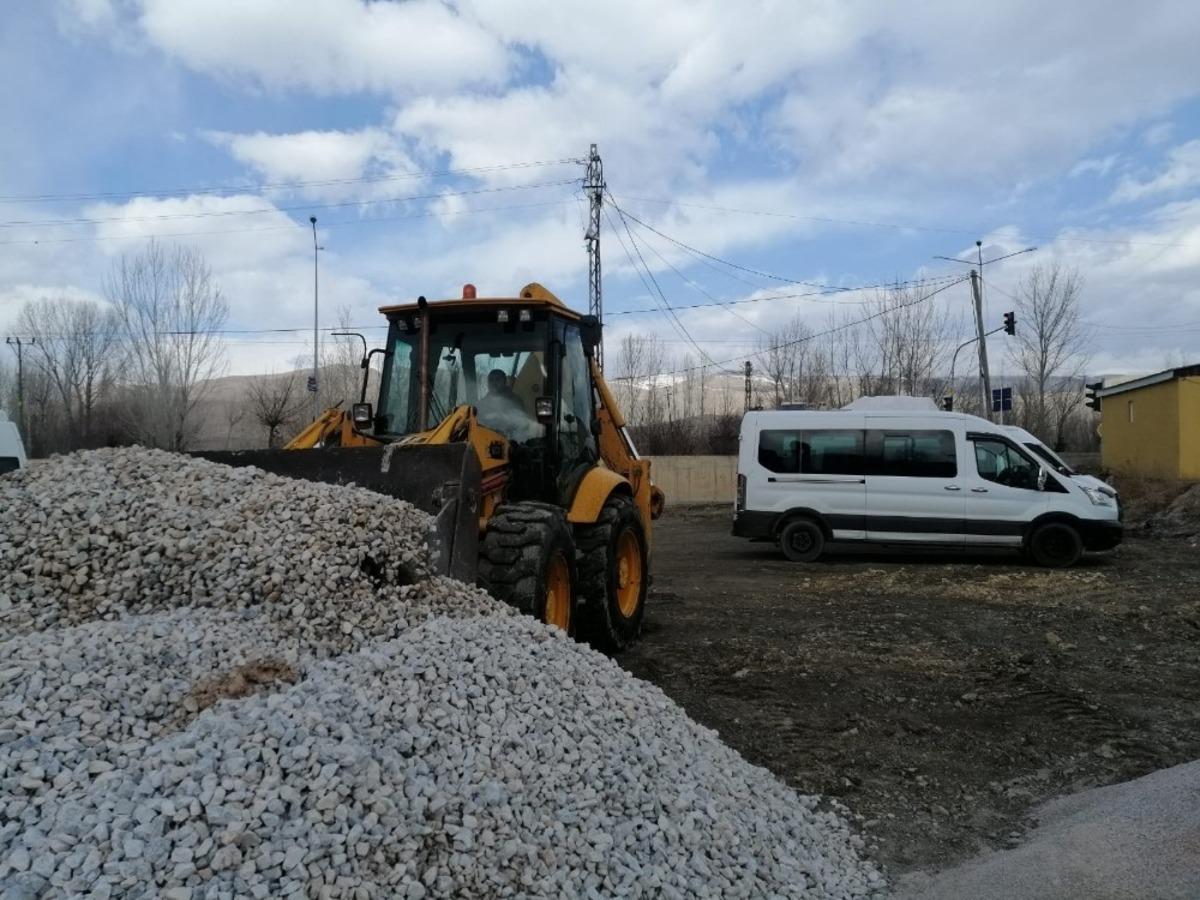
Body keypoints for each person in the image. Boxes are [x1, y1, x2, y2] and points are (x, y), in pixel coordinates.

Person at [476, 369, 535, 438]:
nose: (494, 383)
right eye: (491, 380)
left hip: (511, 440)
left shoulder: (515, 401)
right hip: (485, 439)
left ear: (505, 382)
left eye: (497, 380)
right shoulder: (481, 404)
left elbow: (521, 423)